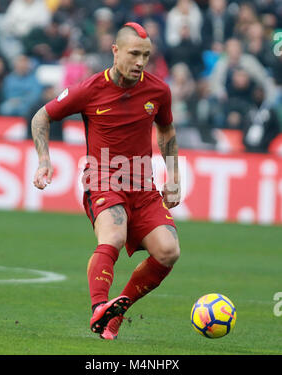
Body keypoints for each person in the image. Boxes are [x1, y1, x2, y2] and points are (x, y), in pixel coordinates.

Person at [31, 22, 181, 340]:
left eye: (146, 55)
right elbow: (41, 116)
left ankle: (115, 314)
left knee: (168, 251)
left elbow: (166, 130)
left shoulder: (158, 90)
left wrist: (174, 177)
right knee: (112, 235)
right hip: (102, 178)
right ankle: (99, 307)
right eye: (134, 54)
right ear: (115, 51)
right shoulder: (90, 89)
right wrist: (44, 160)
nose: (140, 62)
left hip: (143, 185)